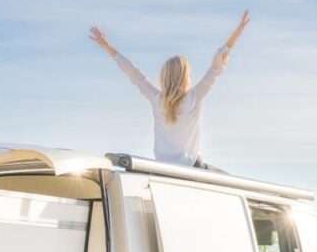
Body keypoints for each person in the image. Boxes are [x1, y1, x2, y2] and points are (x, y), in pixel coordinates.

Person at [89, 10, 250, 169]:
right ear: (185, 77)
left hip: (163, 168)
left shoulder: (156, 99)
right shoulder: (194, 97)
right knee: (224, 177)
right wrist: (236, 35)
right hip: (193, 166)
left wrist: (107, 46)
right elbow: (216, 65)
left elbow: (133, 73)